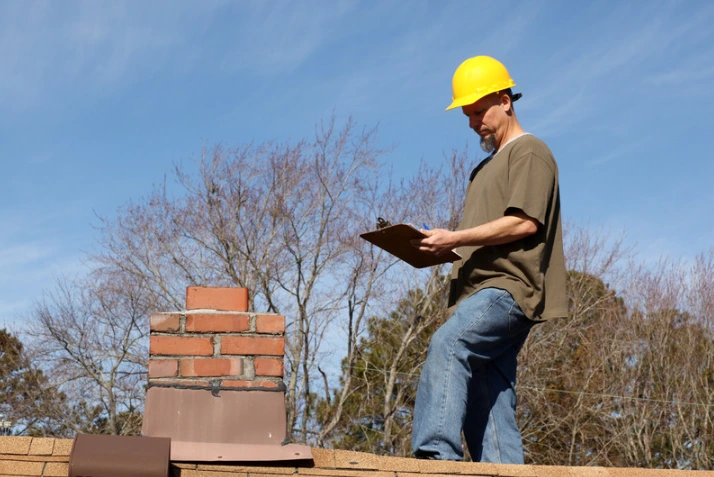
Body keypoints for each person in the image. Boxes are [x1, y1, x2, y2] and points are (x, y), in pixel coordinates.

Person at [411, 55, 567, 463]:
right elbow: (484, 236)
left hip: (508, 289)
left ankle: (435, 459)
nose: (473, 122)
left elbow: (524, 223)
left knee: (449, 344)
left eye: (479, 111)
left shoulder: (529, 151)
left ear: (505, 100)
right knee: (488, 391)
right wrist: (437, 247)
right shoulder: (483, 169)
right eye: (467, 115)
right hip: (478, 291)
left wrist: (456, 237)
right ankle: (502, 469)